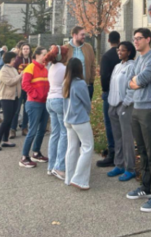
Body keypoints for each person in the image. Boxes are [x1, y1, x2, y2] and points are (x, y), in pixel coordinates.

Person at [126, 28, 151, 213]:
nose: (135, 41)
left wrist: (136, 82)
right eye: (134, 39)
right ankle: (147, 186)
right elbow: (130, 81)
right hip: (137, 108)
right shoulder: (137, 59)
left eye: (139, 38)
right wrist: (136, 82)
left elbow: (143, 79)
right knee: (142, 150)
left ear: (148, 39)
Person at [107, 41, 136, 181]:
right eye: (118, 50)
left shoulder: (132, 66)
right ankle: (119, 164)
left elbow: (133, 87)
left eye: (123, 50)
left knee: (127, 138)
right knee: (117, 137)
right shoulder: (117, 66)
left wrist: (125, 103)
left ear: (129, 52)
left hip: (125, 106)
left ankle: (130, 168)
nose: (119, 52)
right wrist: (111, 106)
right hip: (113, 106)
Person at [63, 58, 93, 190]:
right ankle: (79, 179)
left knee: (72, 148)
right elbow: (87, 102)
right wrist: (88, 112)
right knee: (87, 147)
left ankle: (69, 178)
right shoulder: (80, 83)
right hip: (79, 119)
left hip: (68, 119)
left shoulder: (66, 82)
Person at [19, 47, 49, 168]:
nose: (45, 57)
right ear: (36, 55)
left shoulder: (45, 69)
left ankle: (36, 153)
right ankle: (24, 157)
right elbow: (25, 84)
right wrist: (36, 95)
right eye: (44, 54)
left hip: (44, 103)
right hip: (34, 103)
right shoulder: (30, 67)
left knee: (42, 129)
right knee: (32, 130)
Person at [44, 45, 68, 180]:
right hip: (59, 101)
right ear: (61, 56)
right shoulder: (64, 69)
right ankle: (59, 167)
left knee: (55, 134)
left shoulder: (51, 68)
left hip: (50, 101)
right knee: (64, 134)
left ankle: (51, 166)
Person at [96, 31, 120, 167]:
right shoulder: (124, 54)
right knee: (120, 122)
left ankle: (112, 152)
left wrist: (104, 90)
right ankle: (118, 149)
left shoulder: (106, 56)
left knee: (110, 122)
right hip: (122, 92)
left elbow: (104, 76)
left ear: (109, 40)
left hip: (110, 91)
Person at [0, 52, 22, 151]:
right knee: (6, 120)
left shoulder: (13, 69)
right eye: (14, 59)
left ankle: (5, 140)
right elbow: (10, 82)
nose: (15, 61)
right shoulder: (3, 70)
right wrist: (21, 75)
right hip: (6, 97)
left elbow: (17, 81)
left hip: (15, 97)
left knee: (10, 119)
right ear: (9, 59)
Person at [65, 26, 96, 100]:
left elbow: (93, 65)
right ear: (74, 35)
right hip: (70, 86)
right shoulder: (66, 48)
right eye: (82, 35)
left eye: (84, 34)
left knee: (85, 109)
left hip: (86, 85)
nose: (84, 37)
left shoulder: (88, 48)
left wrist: (91, 81)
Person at [10, 43, 32, 139]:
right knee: (16, 109)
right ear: (21, 50)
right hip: (19, 87)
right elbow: (13, 72)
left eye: (27, 49)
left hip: (29, 88)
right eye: (24, 49)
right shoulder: (17, 60)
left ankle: (24, 128)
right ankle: (13, 129)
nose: (26, 50)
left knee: (27, 109)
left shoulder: (32, 60)